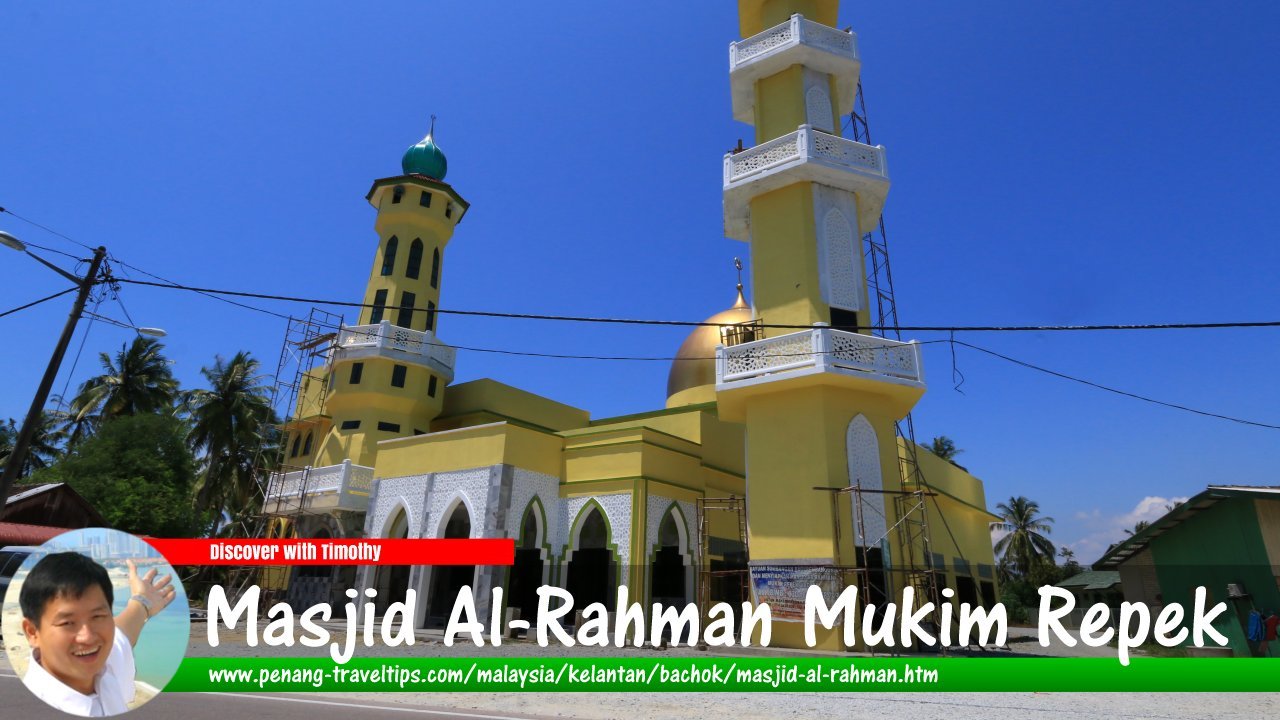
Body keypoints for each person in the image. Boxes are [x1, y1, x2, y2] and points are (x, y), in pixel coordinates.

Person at [18, 552, 176, 717]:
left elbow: (122, 634)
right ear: (32, 632)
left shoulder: (103, 667)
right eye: (67, 623)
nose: (87, 637)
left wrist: (143, 601)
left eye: (97, 616)